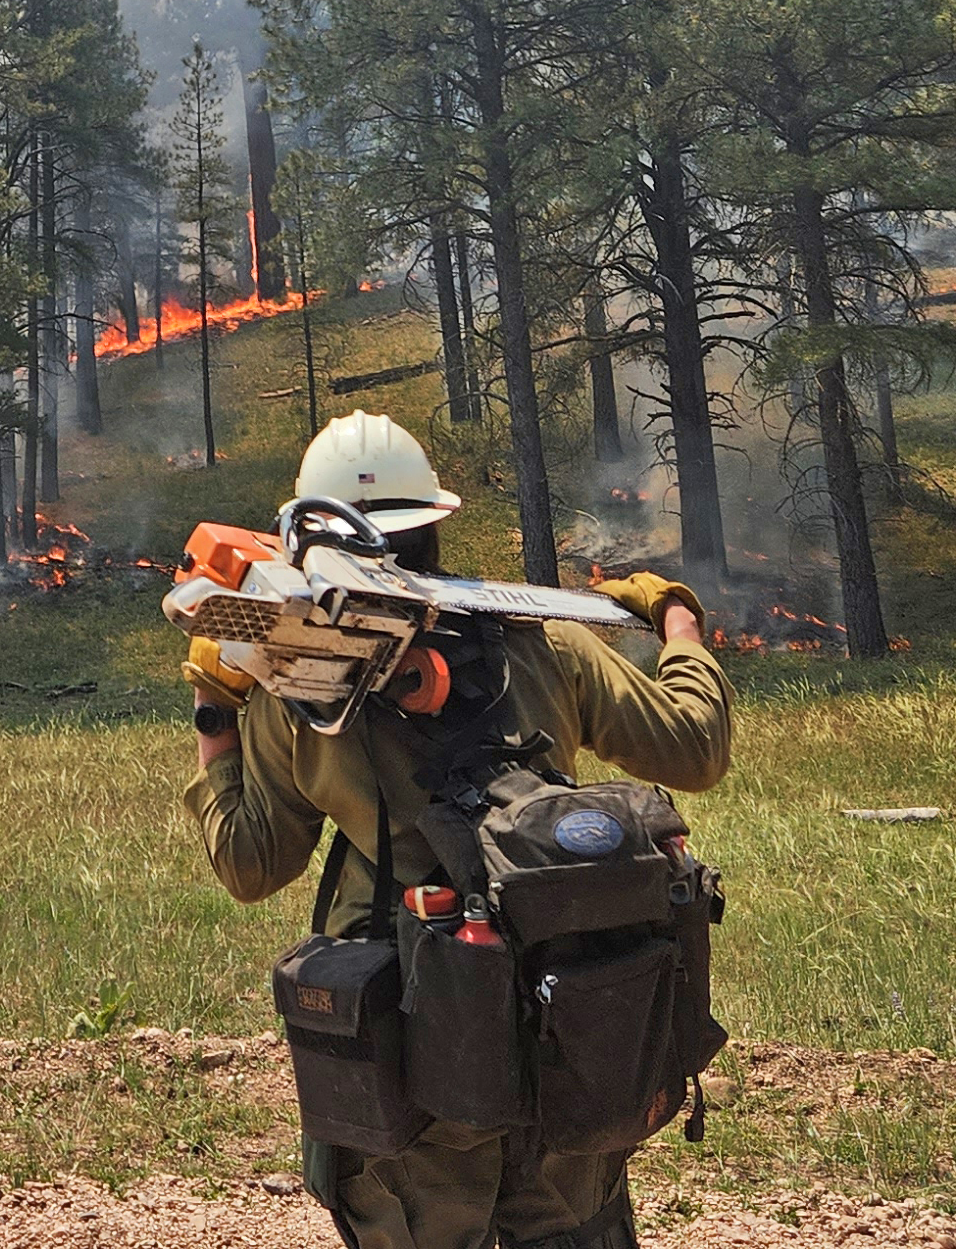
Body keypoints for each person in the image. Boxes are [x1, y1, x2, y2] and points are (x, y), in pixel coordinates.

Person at [187, 411, 732, 1249]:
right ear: (436, 526)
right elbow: (694, 748)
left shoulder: (300, 697)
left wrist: (216, 717)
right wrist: (679, 626)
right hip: (569, 1020)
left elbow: (252, 865)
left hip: (412, 1063)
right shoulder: (543, 640)